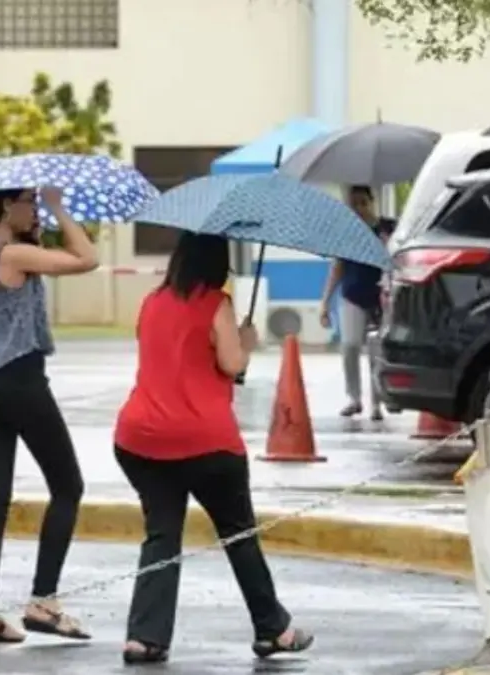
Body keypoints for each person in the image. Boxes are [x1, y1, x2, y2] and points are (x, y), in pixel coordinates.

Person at [113, 232, 313, 665]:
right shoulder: (216, 304)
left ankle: (145, 638)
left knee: (162, 535)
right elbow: (231, 364)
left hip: (140, 437)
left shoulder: (152, 302)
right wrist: (246, 341)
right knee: (239, 535)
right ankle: (272, 629)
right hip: (205, 442)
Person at [0, 186, 98, 644]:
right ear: (7, 206)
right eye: (31, 202)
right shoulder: (13, 253)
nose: (36, 209)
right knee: (68, 486)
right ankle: (43, 600)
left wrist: (36, 228)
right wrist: (60, 207)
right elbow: (86, 258)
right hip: (19, 380)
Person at [318, 185, 395, 421]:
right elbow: (337, 267)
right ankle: (354, 398)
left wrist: (387, 245)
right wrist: (325, 301)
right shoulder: (346, 232)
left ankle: (377, 403)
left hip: (380, 297)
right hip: (351, 295)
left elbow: (397, 259)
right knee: (350, 345)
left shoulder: (386, 228)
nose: (360, 208)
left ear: (372, 202)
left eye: (363, 203)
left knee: (376, 352)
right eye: (354, 204)